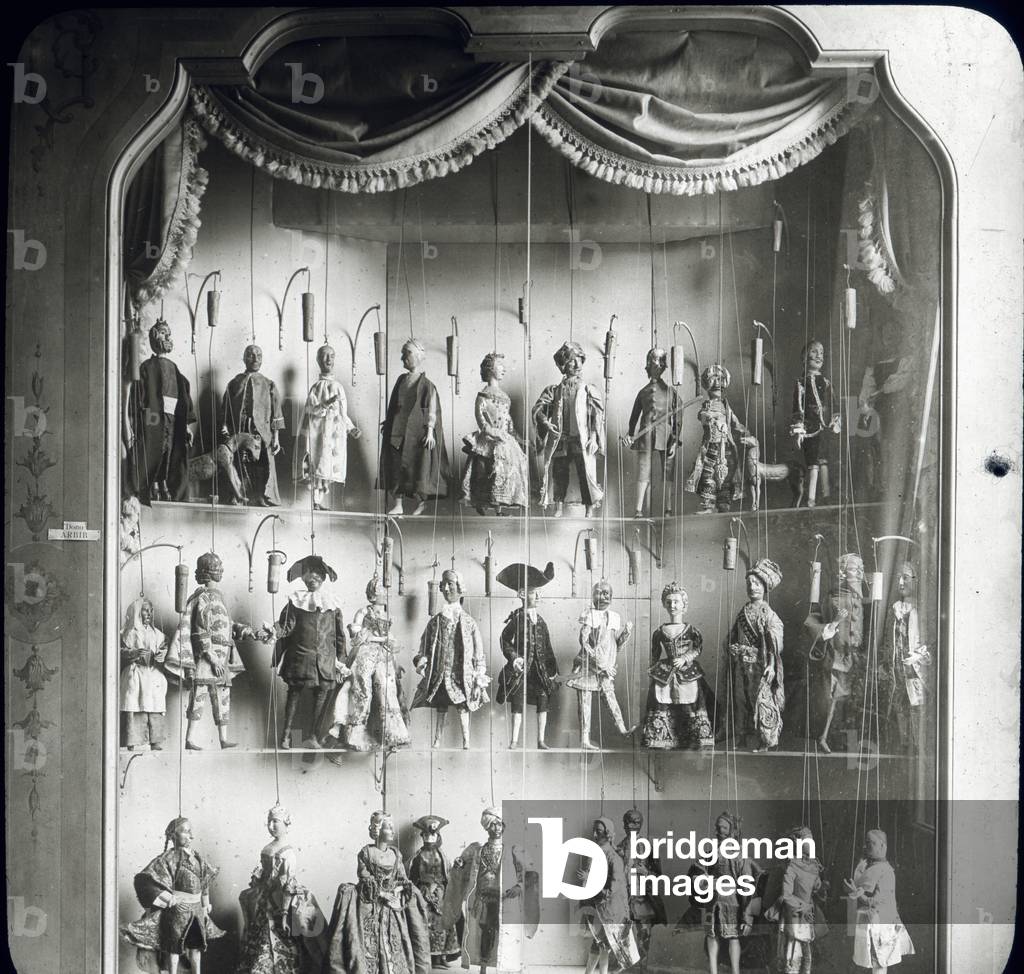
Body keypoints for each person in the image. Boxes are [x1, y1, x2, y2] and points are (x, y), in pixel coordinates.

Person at [167, 552, 268, 751]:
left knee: (223, 697)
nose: (220, 571)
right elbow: (199, 628)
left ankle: (223, 738)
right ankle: (189, 738)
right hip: (208, 658)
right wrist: (211, 656)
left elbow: (227, 625)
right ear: (210, 572)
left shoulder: (218, 597)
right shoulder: (202, 597)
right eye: (217, 568)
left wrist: (249, 632)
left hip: (223, 656)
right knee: (199, 695)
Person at [323, 811, 431, 974]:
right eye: (389, 827)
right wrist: (383, 894)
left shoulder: (395, 854)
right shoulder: (366, 852)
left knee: (395, 941)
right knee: (368, 945)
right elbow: (365, 880)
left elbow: (403, 879)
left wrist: (397, 890)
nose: (393, 831)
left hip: (392, 907)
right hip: (370, 904)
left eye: (393, 827)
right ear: (378, 830)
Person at [120, 816, 225, 974]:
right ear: (172, 835)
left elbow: (205, 882)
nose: (190, 835)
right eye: (185, 831)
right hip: (176, 913)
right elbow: (147, 882)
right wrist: (171, 900)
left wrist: (205, 903)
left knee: (196, 948)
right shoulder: (166, 859)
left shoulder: (198, 859)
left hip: (197, 911)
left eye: (190, 831)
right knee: (174, 949)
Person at [443, 808, 538, 973]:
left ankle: (511, 968)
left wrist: (519, 886)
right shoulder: (477, 850)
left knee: (507, 935)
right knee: (485, 935)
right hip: (484, 900)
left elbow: (531, 873)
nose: (496, 828)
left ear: (504, 826)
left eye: (498, 824)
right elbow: (462, 868)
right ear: (486, 828)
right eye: (492, 825)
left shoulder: (512, 850)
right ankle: (483, 969)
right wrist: (458, 865)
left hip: (505, 900)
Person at [236, 804, 327, 974]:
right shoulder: (267, 848)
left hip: (282, 902)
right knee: (258, 939)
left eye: (275, 821)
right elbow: (263, 874)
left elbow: (288, 885)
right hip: (264, 900)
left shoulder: (288, 853)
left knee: (288, 940)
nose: (271, 826)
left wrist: (284, 914)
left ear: (286, 823)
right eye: (269, 821)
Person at [326, 573, 411, 751]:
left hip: (384, 654)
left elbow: (390, 638)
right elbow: (356, 633)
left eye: (384, 590)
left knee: (387, 689)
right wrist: (377, 638)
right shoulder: (365, 611)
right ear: (373, 592)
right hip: (366, 651)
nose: (383, 593)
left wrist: (393, 655)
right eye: (380, 590)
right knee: (362, 687)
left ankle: (391, 735)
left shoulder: (387, 614)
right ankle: (355, 735)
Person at [271, 555, 348, 750]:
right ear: (304, 579)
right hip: (300, 657)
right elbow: (285, 628)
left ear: (323, 579)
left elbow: (340, 635)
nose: (312, 580)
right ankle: (286, 736)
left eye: (317, 576)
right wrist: (273, 632)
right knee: (294, 694)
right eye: (309, 577)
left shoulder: (333, 605)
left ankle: (313, 736)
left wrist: (340, 662)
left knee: (320, 696)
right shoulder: (295, 602)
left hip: (324, 660)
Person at [412, 569, 489, 749]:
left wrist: (478, 676)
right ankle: (437, 739)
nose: (446, 588)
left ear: (459, 588)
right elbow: (423, 646)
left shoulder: (469, 622)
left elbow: (478, 651)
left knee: (463, 706)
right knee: (441, 706)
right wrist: (421, 660)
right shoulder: (435, 622)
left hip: (461, 676)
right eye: (444, 584)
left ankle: (466, 740)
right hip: (440, 674)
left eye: (450, 584)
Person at [124, 317, 196, 503]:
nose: (168, 337)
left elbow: (183, 396)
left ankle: (164, 483)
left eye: (169, 333)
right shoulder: (146, 367)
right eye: (164, 333)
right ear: (155, 337)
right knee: (154, 449)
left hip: (173, 418)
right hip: (154, 416)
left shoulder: (175, 368)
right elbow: (139, 397)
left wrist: (186, 426)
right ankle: (153, 484)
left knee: (170, 451)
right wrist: (136, 424)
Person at [532, 340, 605, 517]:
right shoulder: (556, 390)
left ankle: (589, 507)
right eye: (572, 360)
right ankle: (558, 506)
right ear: (564, 365)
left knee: (584, 473)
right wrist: (546, 422)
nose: (577, 364)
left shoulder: (588, 389)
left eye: (579, 359)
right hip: (562, 439)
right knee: (559, 472)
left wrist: (594, 438)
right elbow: (538, 408)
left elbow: (596, 415)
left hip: (581, 439)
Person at [378, 338, 450, 516]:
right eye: (403, 353)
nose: (403, 358)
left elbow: (432, 409)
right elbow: (394, 404)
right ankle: (398, 503)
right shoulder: (401, 380)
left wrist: (431, 431)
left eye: (407, 353)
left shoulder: (427, 385)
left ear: (418, 356)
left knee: (418, 465)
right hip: (397, 431)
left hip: (417, 433)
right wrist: (388, 422)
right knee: (395, 466)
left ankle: (421, 502)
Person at [804, 553, 865, 753]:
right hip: (837, 657)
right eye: (851, 569)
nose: (854, 573)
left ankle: (843, 739)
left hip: (854, 657)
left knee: (849, 699)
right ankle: (825, 736)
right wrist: (833, 625)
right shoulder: (834, 598)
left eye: (855, 569)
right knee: (834, 697)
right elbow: (817, 622)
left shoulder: (857, 597)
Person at [641, 582, 714, 750]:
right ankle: (661, 737)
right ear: (664, 604)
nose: (672, 605)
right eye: (669, 602)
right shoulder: (659, 631)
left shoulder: (691, 630)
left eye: (676, 602)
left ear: (684, 605)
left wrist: (685, 659)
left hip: (686, 669)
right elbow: (655, 653)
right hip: (665, 670)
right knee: (661, 698)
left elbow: (698, 648)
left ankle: (693, 738)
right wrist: (652, 668)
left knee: (690, 699)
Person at [495, 562, 559, 749]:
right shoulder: (517, 619)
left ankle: (541, 740)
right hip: (521, 671)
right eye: (534, 592)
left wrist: (552, 670)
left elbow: (548, 648)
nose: (538, 595)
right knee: (517, 701)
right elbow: (504, 640)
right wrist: (514, 658)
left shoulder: (541, 622)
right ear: (522, 594)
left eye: (540, 592)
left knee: (543, 700)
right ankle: (514, 740)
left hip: (539, 672)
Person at [567, 580, 635, 750]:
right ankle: (584, 739)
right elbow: (584, 641)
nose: (603, 596)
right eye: (598, 592)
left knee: (611, 699)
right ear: (592, 595)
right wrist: (601, 663)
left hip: (605, 667)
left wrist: (626, 633)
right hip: (588, 666)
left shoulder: (614, 617)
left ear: (611, 596)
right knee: (585, 703)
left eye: (606, 593)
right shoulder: (589, 615)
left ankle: (623, 730)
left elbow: (615, 645)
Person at [727, 558, 785, 751]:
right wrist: (732, 647)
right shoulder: (743, 612)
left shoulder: (768, 612)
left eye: (757, 583)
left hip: (760, 664)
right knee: (740, 699)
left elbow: (773, 641)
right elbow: (733, 636)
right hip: (741, 663)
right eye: (749, 583)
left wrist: (770, 665)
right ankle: (742, 736)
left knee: (762, 701)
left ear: (765, 587)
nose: (752, 587)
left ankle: (766, 740)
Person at [461, 352, 529, 514]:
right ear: (490, 370)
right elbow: (481, 419)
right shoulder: (483, 395)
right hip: (489, 438)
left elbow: (508, 422)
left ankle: (499, 507)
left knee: (505, 470)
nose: (504, 369)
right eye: (500, 366)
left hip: (505, 438)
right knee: (484, 470)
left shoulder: (505, 396)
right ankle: (481, 503)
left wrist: (518, 438)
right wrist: (490, 431)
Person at [685, 364, 758, 514]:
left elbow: (736, 423)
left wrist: (746, 433)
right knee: (708, 474)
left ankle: (724, 504)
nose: (718, 383)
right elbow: (703, 416)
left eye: (720, 380)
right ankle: (708, 505)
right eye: (714, 380)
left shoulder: (726, 406)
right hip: (711, 446)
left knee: (726, 477)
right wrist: (711, 419)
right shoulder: (707, 405)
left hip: (726, 447)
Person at [296, 343, 360, 510]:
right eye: (324, 355)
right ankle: (316, 502)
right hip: (319, 434)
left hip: (334, 436)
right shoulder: (316, 388)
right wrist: (325, 404)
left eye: (332, 355)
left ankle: (319, 501)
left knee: (329, 467)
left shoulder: (338, 387)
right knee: (319, 466)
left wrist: (350, 427)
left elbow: (342, 413)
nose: (328, 359)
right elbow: (312, 409)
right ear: (318, 360)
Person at [220, 344, 285, 506]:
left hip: (261, 432)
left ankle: (260, 495)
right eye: (251, 355)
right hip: (239, 430)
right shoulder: (234, 383)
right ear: (244, 358)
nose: (255, 359)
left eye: (259, 355)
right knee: (238, 462)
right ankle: (237, 494)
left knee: (261, 464)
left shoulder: (269, 384)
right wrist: (224, 426)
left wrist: (276, 438)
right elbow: (225, 407)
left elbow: (276, 412)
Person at [694, 812, 759, 974]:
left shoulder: (738, 854)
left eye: (724, 827)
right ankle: (713, 971)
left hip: (731, 901)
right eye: (718, 826)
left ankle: (735, 972)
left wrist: (747, 915)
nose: (720, 830)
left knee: (733, 936)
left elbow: (746, 882)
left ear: (730, 830)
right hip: (713, 900)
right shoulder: (710, 851)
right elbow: (698, 869)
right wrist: (703, 878)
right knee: (712, 934)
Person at [621, 347, 682, 517]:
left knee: (668, 471)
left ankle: (668, 509)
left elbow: (678, 417)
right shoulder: (643, 392)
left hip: (666, 436)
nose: (659, 364)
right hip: (645, 436)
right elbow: (634, 417)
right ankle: (638, 510)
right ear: (649, 363)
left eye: (662, 360)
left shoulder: (671, 392)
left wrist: (675, 439)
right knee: (643, 471)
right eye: (655, 360)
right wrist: (630, 434)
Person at [844, 830, 914, 973]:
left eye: (872, 843)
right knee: (874, 959)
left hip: (881, 921)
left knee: (879, 960)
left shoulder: (884, 870)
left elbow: (875, 901)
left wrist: (857, 893)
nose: (867, 846)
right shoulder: (871, 866)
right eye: (867, 843)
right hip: (876, 919)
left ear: (882, 846)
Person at [577, 817, 640, 974]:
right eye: (595, 831)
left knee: (603, 943)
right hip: (599, 907)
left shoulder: (613, 858)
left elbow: (614, 887)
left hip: (610, 910)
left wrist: (589, 881)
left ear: (607, 833)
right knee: (601, 943)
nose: (594, 834)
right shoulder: (598, 854)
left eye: (598, 831)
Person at [880, 562, 931, 752]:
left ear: (915, 581)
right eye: (899, 578)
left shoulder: (921, 610)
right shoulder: (895, 609)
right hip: (896, 669)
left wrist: (917, 656)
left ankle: (919, 746)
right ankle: (903, 744)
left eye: (906, 578)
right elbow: (888, 639)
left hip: (915, 669)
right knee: (899, 703)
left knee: (916, 704)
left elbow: (931, 641)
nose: (901, 582)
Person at [763, 826, 827, 974]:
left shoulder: (813, 867)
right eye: (807, 841)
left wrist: (821, 888)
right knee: (792, 954)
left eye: (812, 841)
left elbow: (814, 889)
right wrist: (802, 906)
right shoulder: (791, 867)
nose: (811, 845)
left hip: (807, 914)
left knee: (807, 955)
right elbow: (787, 895)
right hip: (794, 914)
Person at [790, 340, 841, 509]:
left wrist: (835, 420)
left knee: (824, 461)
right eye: (814, 351)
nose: (819, 355)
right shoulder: (801, 382)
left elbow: (835, 405)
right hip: (810, 429)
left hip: (825, 427)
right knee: (813, 463)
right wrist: (799, 430)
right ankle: (810, 499)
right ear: (805, 357)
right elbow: (797, 407)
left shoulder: (826, 383)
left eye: (821, 352)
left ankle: (826, 496)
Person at [408, 814, 462, 968]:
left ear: (437, 835)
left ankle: (441, 957)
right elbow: (412, 876)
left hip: (441, 894)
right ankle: (428, 958)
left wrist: (457, 867)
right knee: (425, 925)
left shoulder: (442, 855)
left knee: (443, 925)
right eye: (426, 834)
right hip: (424, 894)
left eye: (433, 834)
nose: (430, 837)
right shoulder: (417, 856)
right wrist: (422, 890)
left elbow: (448, 873)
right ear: (422, 836)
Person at [616, 808, 666, 962]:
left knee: (644, 934)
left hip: (643, 897)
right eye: (628, 822)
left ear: (640, 824)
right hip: (623, 897)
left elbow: (659, 876)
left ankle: (642, 968)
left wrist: (646, 873)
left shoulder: (649, 847)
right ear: (624, 825)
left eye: (635, 823)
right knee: (623, 935)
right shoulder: (619, 847)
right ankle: (627, 967)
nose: (631, 826)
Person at [119, 597, 169, 751]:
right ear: (137, 613)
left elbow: (164, 648)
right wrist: (134, 652)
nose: (149, 614)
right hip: (136, 673)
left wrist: (162, 655)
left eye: (151, 611)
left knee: (154, 705)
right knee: (133, 704)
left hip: (152, 673)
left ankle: (155, 741)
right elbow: (119, 651)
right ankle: (132, 741)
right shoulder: (127, 633)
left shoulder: (158, 634)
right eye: (146, 610)